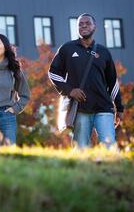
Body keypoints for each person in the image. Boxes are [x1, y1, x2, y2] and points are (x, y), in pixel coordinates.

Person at [48, 13, 124, 148]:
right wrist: (70, 90)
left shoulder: (103, 52)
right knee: (81, 148)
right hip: (81, 109)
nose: (83, 26)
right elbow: (53, 73)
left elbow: (113, 82)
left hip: (104, 108)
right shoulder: (67, 48)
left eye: (87, 23)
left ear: (95, 27)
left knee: (109, 146)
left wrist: (119, 108)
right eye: (80, 24)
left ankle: (109, 169)